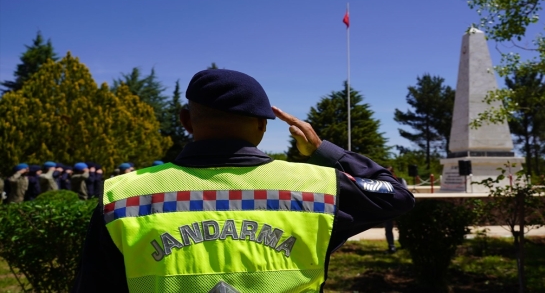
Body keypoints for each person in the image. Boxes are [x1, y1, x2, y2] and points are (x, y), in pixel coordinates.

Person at [73, 69, 415, 293]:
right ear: (263, 126)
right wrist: (323, 150)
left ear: (185, 121)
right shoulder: (319, 186)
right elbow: (397, 196)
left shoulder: (122, 194)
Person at [383, 166, 408, 253]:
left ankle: (402, 244)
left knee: (401, 228)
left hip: (396, 208)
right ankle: (392, 247)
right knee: (390, 228)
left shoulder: (400, 181)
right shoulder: (382, 182)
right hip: (392, 208)